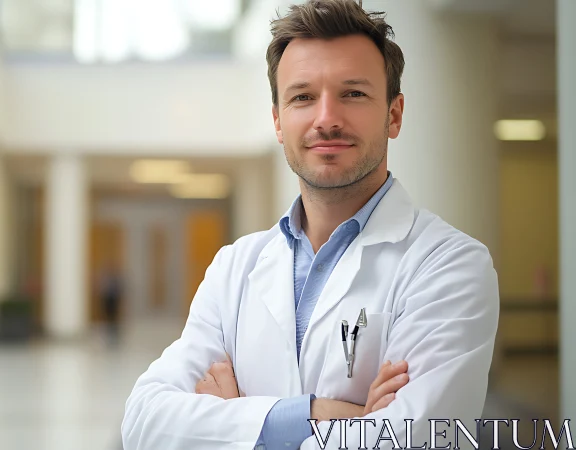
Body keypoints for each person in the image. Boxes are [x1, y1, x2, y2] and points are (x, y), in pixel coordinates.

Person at [121, 1, 499, 449]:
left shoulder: (450, 266)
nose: (326, 118)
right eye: (302, 97)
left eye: (353, 93)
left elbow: (420, 439)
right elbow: (144, 423)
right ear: (279, 121)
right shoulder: (234, 268)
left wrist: (233, 418)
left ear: (394, 115)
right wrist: (330, 415)